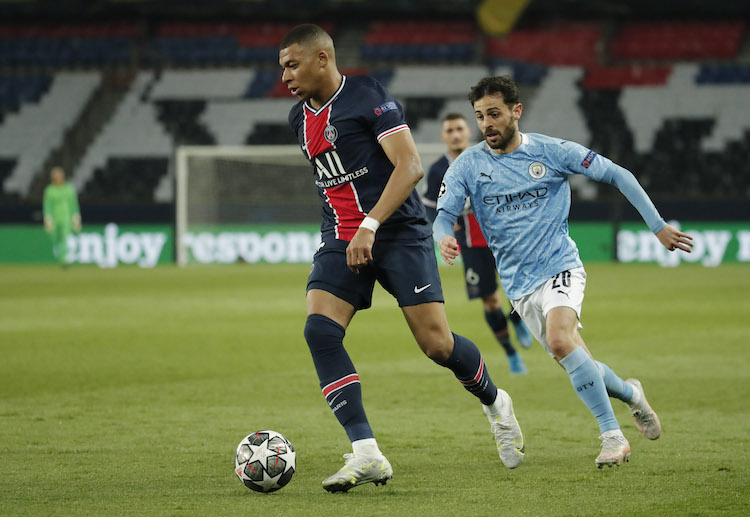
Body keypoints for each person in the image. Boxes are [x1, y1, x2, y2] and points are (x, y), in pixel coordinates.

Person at [279, 26, 525, 492]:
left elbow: (410, 166)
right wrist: (349, 232)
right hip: (342, 237)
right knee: (319, 330)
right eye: (282, 68)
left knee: (437, 345)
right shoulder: (298, 118)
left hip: (397, 232)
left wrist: (370, 225)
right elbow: (333, 185)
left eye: (292, 64)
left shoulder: (367, 96)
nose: (285, 76)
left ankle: (496, 402)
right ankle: (366, 453)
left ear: (322, 58)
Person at [434, 76, 694, 468]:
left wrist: (657, 226)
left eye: (494, 114)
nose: (486, 124)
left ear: (516, 112)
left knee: (560, 340)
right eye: (480, 116)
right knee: (576, 359)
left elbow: (617, 174)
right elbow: (443, 216)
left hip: (560, 266)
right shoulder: (467, 165)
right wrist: (443, 237)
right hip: (519, 287)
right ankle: (632, 394)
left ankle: (612, 436)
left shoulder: (552, 151)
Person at [422, 113, 533, 375]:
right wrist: (444, 224)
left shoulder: (489, 155)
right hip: (471, 241)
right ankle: (511, 353)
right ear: (443, 136)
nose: (455, 134)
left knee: (521, 289)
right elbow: (428, 206)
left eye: (459, 129)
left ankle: (517, 318)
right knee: (491, 301)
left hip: (503, 234)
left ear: (468, 131)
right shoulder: (438, 169)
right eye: (450, 130)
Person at [43, 166, 81, 266]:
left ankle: (63, 259)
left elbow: (73, 205)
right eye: (56, 176)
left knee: (64, 237)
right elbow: (47, 206)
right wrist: (47, 218)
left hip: (66, 218)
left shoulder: (69, 189)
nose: (58, 178)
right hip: (54, 218)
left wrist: (76, 217)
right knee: (55, 237)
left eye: (59, 176)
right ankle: (57, 255)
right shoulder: (50, 190)